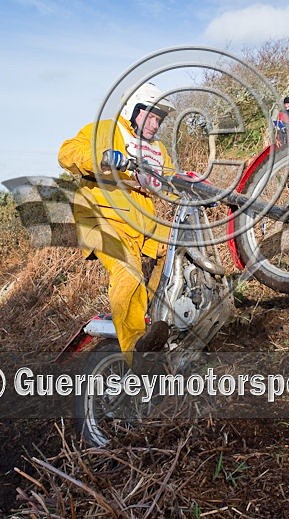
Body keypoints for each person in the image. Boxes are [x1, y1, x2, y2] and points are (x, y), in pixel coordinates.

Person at [58, 82, 175, 363]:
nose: (155, 123)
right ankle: (138, 351)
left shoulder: (157, 149)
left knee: (178, 246)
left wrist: (194, 186)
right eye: (152, 115)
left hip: (141, 222)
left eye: (160, 118)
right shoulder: (106, 131)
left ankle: (156, 314)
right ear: (134, 110)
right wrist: (100, 158)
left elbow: (171, 181)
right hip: (100, 216)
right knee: (128, 271)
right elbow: (66, 152)